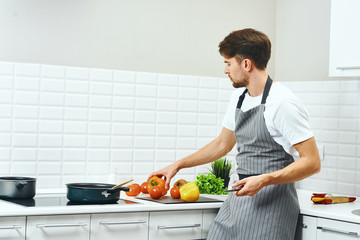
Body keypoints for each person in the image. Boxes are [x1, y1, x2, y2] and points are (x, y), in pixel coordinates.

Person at [149, 28, 321, 240]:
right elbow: (223, 144)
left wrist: (264, 180)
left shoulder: (282, 102)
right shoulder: (239, 97)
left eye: (228, 63)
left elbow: (312, 162)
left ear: (246, 64)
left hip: (271, 208)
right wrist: (178, 165)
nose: (225, 70)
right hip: (238, 201)